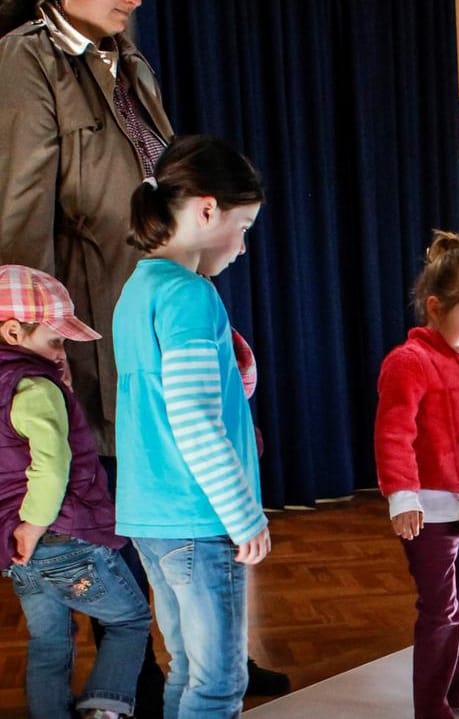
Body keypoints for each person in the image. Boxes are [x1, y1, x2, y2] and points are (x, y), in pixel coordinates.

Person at [0, 0, 288, 702]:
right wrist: (34, 351)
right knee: (108, 496)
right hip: (85, 324)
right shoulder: (27, 58)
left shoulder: (134, 63)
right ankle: (142, 679)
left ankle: (188, 669)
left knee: (163, 533)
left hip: (149, 303)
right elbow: (22, 215)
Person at [113, 135, 270, 717]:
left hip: (152, 517)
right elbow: (195, 421)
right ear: (207, 210)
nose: (244, 246)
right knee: (220, 684)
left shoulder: (137, 289)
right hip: (199, 519)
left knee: (187, 669)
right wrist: (243, 513)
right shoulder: (191, 296)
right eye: (245, 226)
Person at [0, 264, 151, 719]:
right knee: (129, 620)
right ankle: (104, 710)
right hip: (63, 536)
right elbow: (51, 466)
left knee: (48, 642)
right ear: (12, 331)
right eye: (55, 340)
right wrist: (36, 523)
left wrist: (20, 530)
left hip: (17, 549)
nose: (62, 351)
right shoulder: (35, 387)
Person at [374, 230, 459, 719]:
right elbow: (394, 434)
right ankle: (431, 704)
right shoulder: (408, 362)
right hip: (426, 513)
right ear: (435, 308)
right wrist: (403, 496)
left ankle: (457, 690)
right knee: (441, 610)